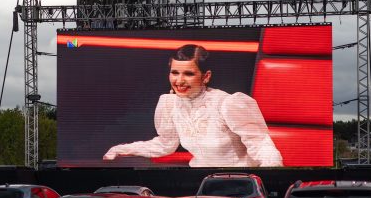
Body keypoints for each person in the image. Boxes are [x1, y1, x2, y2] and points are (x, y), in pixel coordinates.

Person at [103, 44, 284, 167]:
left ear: (206, 76)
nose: (179, 81)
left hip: (238, 181)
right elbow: (166, 145)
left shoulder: (228, 103)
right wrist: (122, 150)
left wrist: (271, 177)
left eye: (188, 73)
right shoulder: (169, 104)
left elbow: (262, 145)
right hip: (200, 179)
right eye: (175, 72)